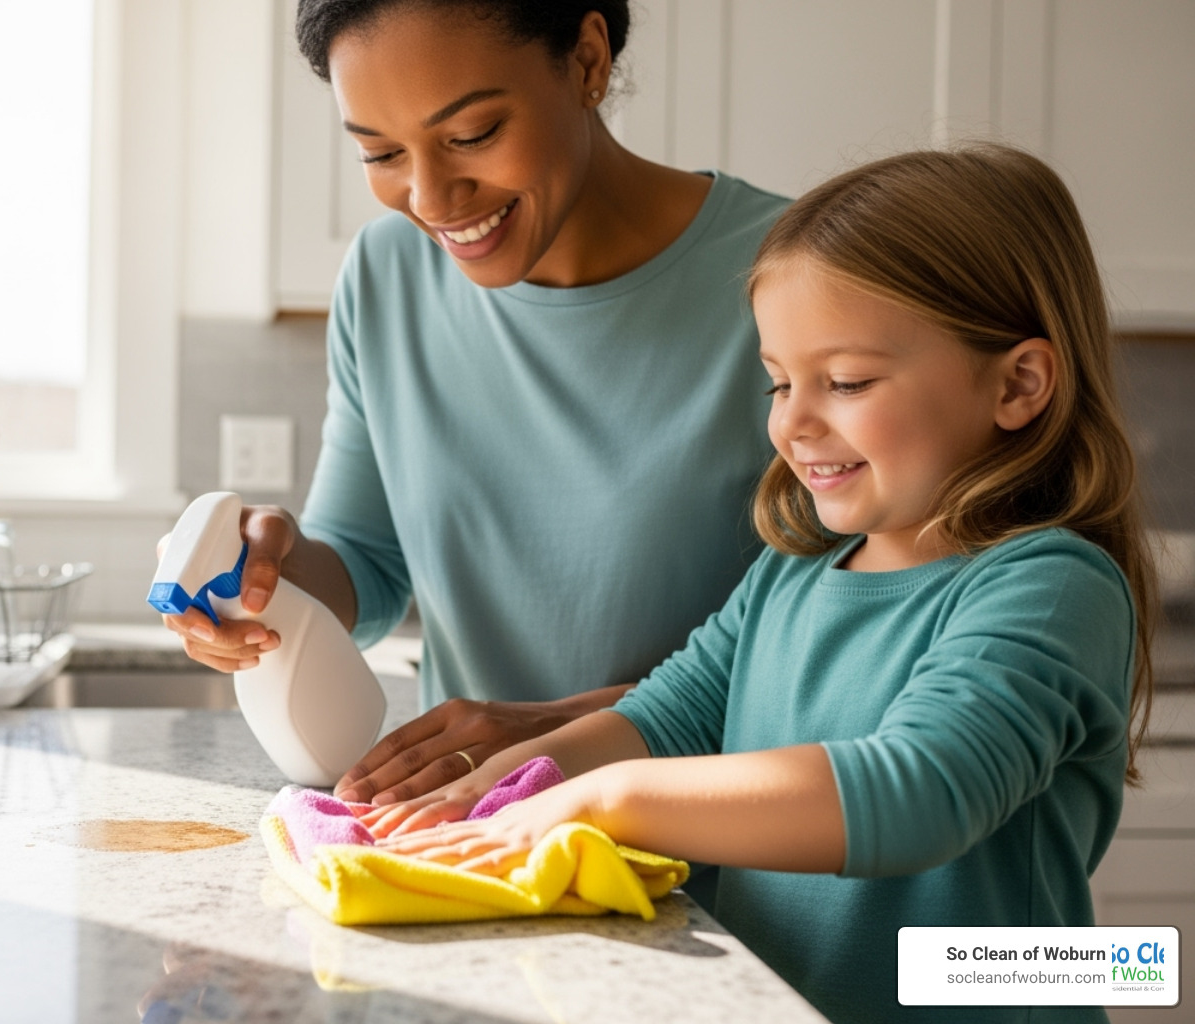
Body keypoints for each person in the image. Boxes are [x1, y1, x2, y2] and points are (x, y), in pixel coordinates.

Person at [366, 145, 1156, 1024]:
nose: (793, 420)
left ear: (1019, 383)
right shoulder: (793, 572)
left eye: (847, 382)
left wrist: (599, 801)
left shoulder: (1049, 586)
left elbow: (920, 792)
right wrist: (490, 796)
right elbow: (657, 724)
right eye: (779, 381)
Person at [161, 0, 790, 805]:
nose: (431, 196)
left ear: (588, 62)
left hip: (721, 857)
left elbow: (846, 651)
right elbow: (367, 564)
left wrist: (565, 735)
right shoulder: (386, 275)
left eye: (471, 136)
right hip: (478, 844)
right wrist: (261, 579)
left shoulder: (796, 276)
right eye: (381, 152)